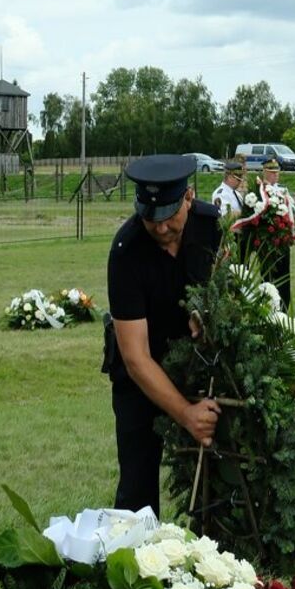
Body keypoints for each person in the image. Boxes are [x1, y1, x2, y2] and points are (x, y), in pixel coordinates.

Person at [104, 155, 223, 512]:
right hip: (140, 379)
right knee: (136, 490)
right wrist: (186, 415)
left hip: (198, 365)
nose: (159, 228)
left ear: (188, 198)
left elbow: (228, 292)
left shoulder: (211, 225)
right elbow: (136, 358)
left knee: (221, 481)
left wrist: (210, 317)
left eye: (169, 216)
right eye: (150, 218)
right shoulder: (125, 251)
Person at [254, 157, 295, 308]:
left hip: (283, 240)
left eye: (277, 172)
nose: (276, 175)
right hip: (268, 241)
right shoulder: (259, 190)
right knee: (268, 277)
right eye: (273, 172)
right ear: (265, 172)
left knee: (284, 276)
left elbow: (291, 209)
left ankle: (284, 307)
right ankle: (268, 306)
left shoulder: (282, 190)